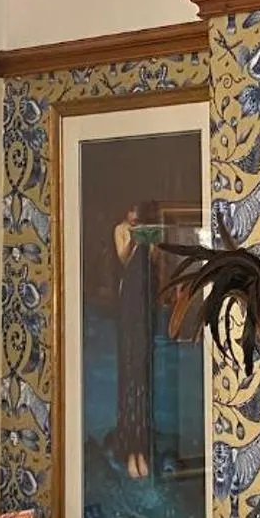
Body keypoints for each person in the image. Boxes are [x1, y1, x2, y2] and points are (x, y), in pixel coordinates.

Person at [106, 202, 161, 479]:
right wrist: (136, 239)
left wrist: (150, 242)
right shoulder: (121, 229)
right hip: (129, 298)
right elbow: (123, 257)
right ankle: (130, 449)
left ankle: (142, 449)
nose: (134, 215)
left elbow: (154, 261)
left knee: (143, 371)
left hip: (145, 297)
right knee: (130, 369)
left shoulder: (150, 231)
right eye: (131, 210)